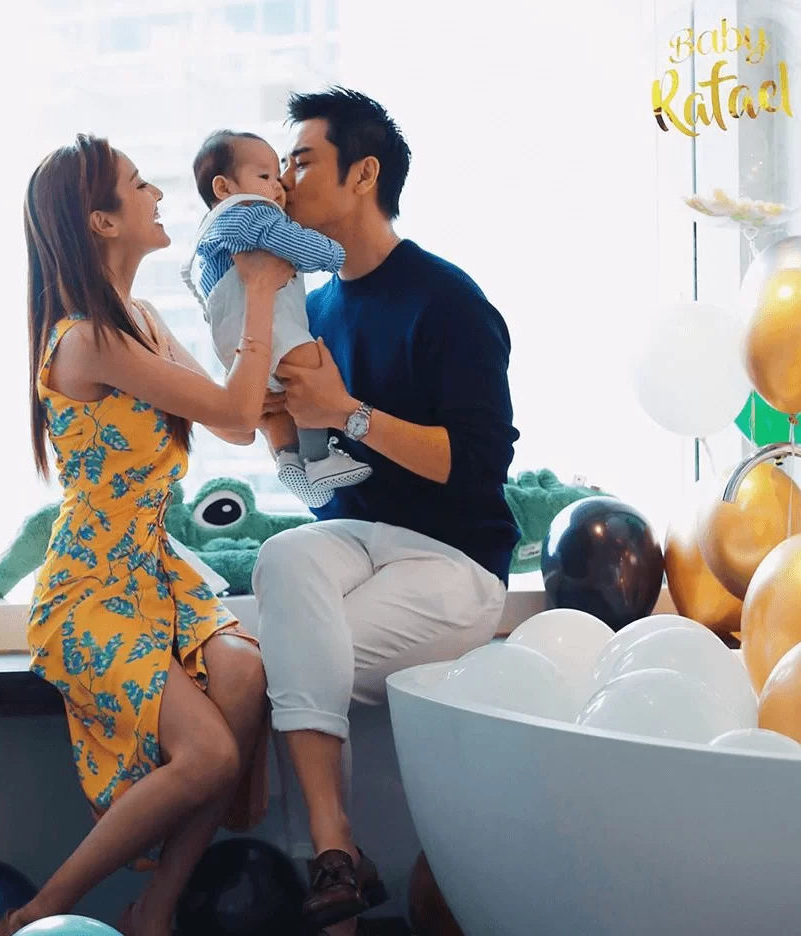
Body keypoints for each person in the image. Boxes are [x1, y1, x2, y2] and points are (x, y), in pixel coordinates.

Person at [0, 135, 292, 936]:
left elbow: (235, 426)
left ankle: (153, 912)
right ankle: (36, 913)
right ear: (101, 221)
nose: (158, 194)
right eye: (137, 185)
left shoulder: (143, 321)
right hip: (90, 588)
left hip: (155, 569)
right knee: (212, 756)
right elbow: (234, 410)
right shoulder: (86, 339)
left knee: (243, 671)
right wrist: (257, 289)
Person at [253, 87, 521, 933]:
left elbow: (477, 466)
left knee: (287, 668)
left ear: (363, 174)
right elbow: (317, 489)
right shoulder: (312, 313)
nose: (282, 181)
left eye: (301, 161)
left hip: (454, 562)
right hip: (353, 541)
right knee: (282, 557)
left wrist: (348, 412)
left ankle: (333, 887)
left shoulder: (449, 300)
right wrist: (276, 431)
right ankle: (337, 853)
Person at [181, 129, 372, 508]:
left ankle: (288, 458)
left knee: (279, 405)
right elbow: (292, 243)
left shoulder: (215, 234)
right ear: (224, 187)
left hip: (237, 341)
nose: (280, 184)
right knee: (310, 370)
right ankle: (318, 458)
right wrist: (337, 254)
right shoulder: (247, 214)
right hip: (265, 326)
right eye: (265, 175)